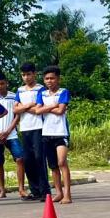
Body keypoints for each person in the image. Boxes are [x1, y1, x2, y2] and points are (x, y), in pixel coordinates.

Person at [14, 63, 50, 202]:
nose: (26, 77)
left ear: (34, 74)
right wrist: (29, 105)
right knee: (28, 160)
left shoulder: (41, 89)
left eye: (28, 74)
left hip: (39, 127)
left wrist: (23, 107)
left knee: (39, 158)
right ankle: (34, 190)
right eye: (23, 75)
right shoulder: (20, 90)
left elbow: (38, 110)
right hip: (25, 128)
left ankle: (44, 191)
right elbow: (15, 109)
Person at [37, 66, 72, 204]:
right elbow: (38, 110)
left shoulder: (63, 92)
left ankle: (67, 194)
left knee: (62, 162)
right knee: (53, 166)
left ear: (58, 79)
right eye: (47, 78)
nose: (49, 81)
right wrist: (54, 106)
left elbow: (61, 111)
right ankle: (58, 193)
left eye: (52, 78)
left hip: (61, 133)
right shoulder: (42, 94)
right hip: (46, 133)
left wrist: (46, 108)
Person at [0, 71, 25, 198]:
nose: (0, 86)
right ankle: (2, 190)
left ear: (6, 83)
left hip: (11, 134)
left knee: (20, 159)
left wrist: (8, 131)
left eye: (2, 83)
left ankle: (21, 188)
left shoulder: (14, 96)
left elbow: (17, 116)